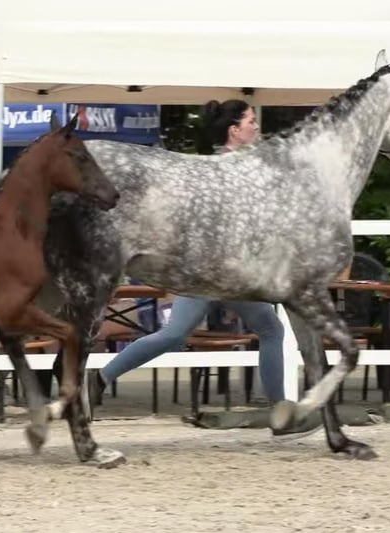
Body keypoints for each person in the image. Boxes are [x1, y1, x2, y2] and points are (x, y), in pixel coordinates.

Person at [96, 98, 322, 440]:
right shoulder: (235, 170)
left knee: (269, 329)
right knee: (177, 335)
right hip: (213, 270)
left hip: (227, 272)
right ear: (235, 131)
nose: (256, 127)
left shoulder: (229, 165)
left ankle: (281, 414)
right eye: (250, 121)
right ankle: (99, 378)